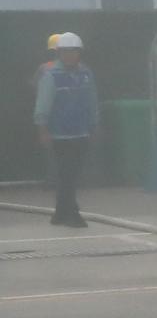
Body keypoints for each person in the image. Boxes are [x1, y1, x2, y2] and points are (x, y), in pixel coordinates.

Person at [32, 31, 95, 228]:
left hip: (81, 132)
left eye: (74, 51)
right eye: (66, 52)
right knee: (66, 173)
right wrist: (43, 130)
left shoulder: (86, 74)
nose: (70, 55)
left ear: (79, 52)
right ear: (59, 53)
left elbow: (91, 101)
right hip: (59, 134)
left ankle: (60, 213)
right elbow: (43, 105)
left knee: (72, 173)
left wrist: (94, 125)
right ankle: (72, 213)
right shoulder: (51, 76)